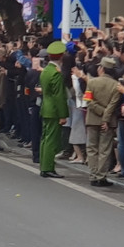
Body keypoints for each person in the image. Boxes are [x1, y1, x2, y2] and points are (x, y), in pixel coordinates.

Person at [84, 57, 122, 186]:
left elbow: (88, 101)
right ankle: (101, 176)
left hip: (92, 119)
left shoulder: (91, 83)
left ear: (102, 69)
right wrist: (105, 117)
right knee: (105, 149)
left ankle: (93, 175)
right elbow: (112, 105)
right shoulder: (116, 86)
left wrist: (100, 111)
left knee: (92, 148)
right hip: (109, 121)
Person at [39, 41, 69, 178]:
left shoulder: (46, 71)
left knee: (45, 138)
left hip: (46, 107)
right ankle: (48, 167)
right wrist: (63, 114)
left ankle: (44, 165)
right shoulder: (56, 74)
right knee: (52, 140)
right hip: (54, 110)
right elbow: (59, 96)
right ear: (61, 56)